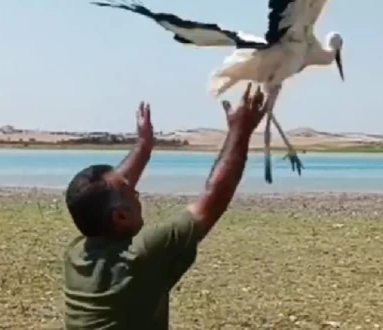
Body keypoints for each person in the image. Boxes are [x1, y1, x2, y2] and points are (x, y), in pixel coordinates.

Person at [62, 84, 267, 329]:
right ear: (120, 217)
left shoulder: (77, 254)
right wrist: (240, 130)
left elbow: (106, 192)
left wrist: (144, 146)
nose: (136, 192)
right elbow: (214, 197)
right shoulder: (140, 256)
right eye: (130, 191)